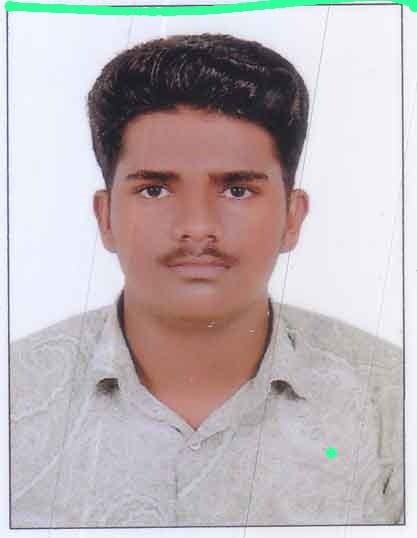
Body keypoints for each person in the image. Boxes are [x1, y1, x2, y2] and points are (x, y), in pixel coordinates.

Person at [10, 33, 403, 528]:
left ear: (292, 218)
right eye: (155, 190)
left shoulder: (391, 402)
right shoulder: (16, 398)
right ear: (105, 217)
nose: (197, 227)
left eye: (237, 190)